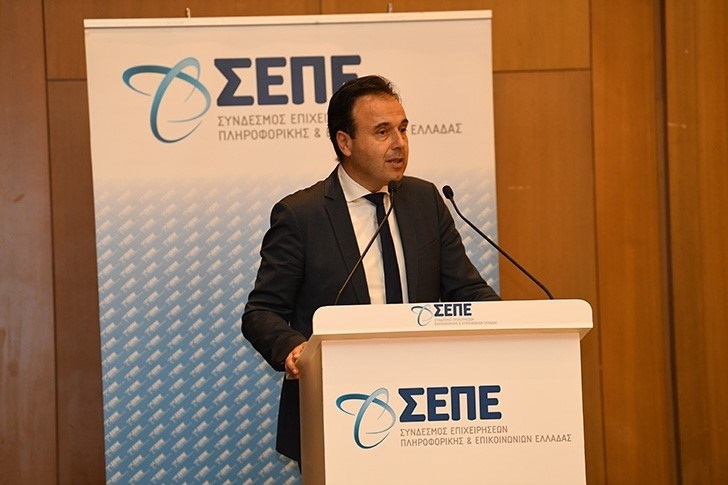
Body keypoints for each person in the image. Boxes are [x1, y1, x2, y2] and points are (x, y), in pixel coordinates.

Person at [241, 75, 500, 467]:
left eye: (403, 129)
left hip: (426, 409)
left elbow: (467, 291)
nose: (399, 143)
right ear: (345, 143)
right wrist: (293, 347)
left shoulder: (425, 200)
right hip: (340, 410)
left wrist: (516, 324)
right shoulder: (301, 215)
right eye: (382, 132)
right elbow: (261, 312)